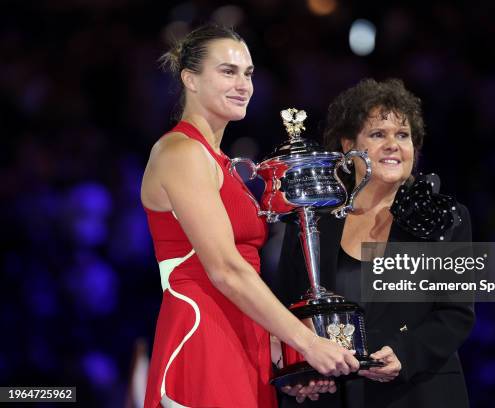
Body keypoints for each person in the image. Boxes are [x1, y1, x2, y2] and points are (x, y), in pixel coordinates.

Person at [140, 23, 359, 408]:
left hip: (243, 339)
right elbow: (225, 268)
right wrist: (306, 341)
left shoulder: (222, 162)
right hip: (202, 338)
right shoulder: (180, 152)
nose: (243, 84)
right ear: (190, 79)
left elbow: (244, 270)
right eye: (228, 71)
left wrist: (284, 356)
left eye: (248, 73)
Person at [276, 78, 475, 407]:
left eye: (403, 135)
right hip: (332, 395)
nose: (393, 145)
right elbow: (286, 310)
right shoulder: (310, 220)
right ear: (347, 145)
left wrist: (404, 355)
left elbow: (456, 314)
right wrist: (300, 372)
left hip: (417, 393)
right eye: (378, 134)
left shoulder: (446, 217)